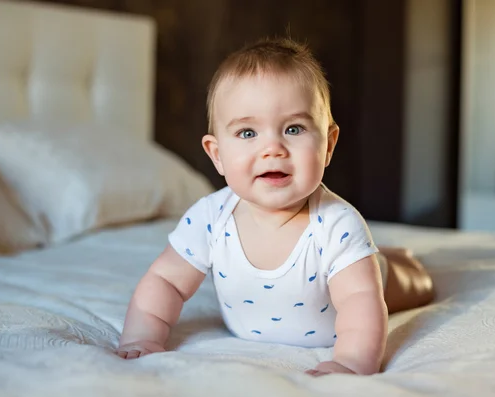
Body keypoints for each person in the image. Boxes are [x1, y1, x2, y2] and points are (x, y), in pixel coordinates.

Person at [115, 37, 434, 376]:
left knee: (412, 283)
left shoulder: (338, 224)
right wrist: (143, 337)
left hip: (373, 280)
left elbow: (359, 303)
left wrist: (351, 362)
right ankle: (374, 257)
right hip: (340, 265)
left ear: (328, 145)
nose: (273, 148)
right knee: (360, 265)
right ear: (217, 154)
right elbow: (166, 281)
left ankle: (394, 261)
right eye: (248, 133)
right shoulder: (209, 219)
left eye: (293, 129)